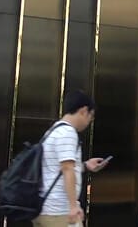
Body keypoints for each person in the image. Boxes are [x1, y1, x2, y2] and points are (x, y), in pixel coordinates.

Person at [35, 90, 109, 227]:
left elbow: (56, 168)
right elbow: (67, 169)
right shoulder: (68, 132)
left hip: (48, 208)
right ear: (83, 111)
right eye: (91, 116)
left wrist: (85, 165)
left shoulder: (53, 131)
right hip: (60, 211)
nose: (89, 122)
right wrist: (73, 206)